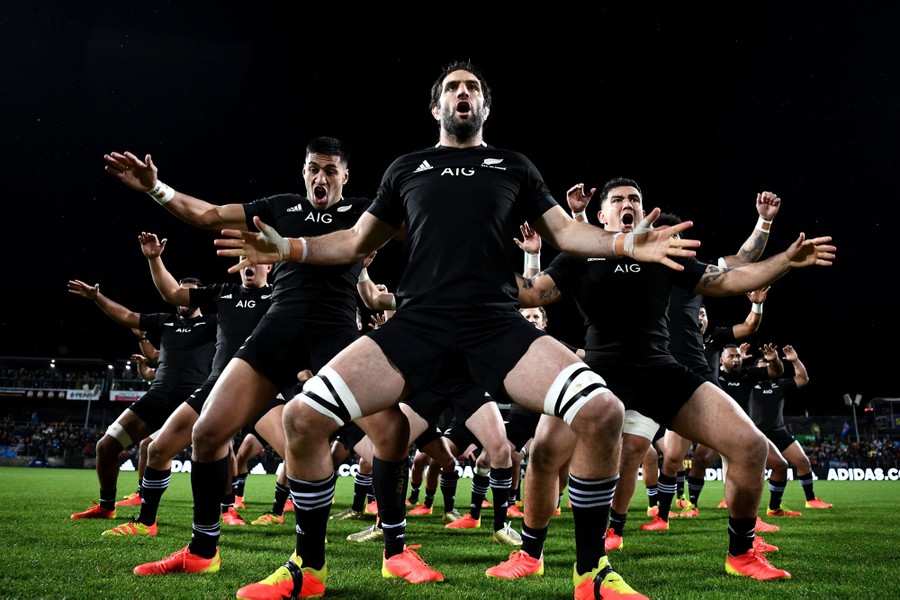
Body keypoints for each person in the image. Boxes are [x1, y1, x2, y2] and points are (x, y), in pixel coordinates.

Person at [215, 61, 700, 599]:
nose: (462, 93)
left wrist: (626, 243)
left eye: (472, 88)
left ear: (485, 107)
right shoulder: (406, 169)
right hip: (418, 323)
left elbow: (564, 231)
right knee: (304, 417)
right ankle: (308, 568)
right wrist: (287, 248)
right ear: (436, 108)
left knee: (602, 411)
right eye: (452, 88)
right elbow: (354, 242)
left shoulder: (514, 166)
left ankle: (592, 574)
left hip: (494, 322)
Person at [487, 176, 834, 587]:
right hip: (598, 374)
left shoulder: (664, 250)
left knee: (750, 445)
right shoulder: (582, 254)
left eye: (633, 198)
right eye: (616, 200)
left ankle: (740, 553)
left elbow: (724, 281)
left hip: (660, 370)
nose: (626, 204)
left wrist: (784, 261)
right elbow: (533, 291)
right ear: (601, 216)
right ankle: (530, 553)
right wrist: (472, 274)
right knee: (544, 454)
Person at [103, 137, 377, 593]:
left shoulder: (361, 214)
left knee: (386, 436)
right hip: (279, 324)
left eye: (330, 170)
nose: (320, 177)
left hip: (335, 332)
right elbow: (208, 214)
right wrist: (156, 189)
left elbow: (414, 229)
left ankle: (390, 550)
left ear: (345, 177)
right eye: (313, 168)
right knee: (207, 433)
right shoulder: (280, 206)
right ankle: (203, 551)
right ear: (303, 171)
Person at [68, 275, 215, 520]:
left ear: (199, 297)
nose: (181, 298)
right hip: (157, 396)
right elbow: (126, 316)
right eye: (178, 292)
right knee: (105, 446)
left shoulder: (213, 324)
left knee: (158, 449)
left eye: (188, 293)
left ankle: (226, 505)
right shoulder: (165, 322)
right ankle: (106, 507)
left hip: (190, 401)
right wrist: (97, 298)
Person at [749, 345, 832, 510]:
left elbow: (803, 379)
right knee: (752, 472)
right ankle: (737, 502)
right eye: (762, 362)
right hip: (756, 435)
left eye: (767, 362)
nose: (765, 364)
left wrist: (795, 361)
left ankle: (811, 500)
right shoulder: (747, 385)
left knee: (803, 462)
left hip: (779, 432)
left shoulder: (779, 384)